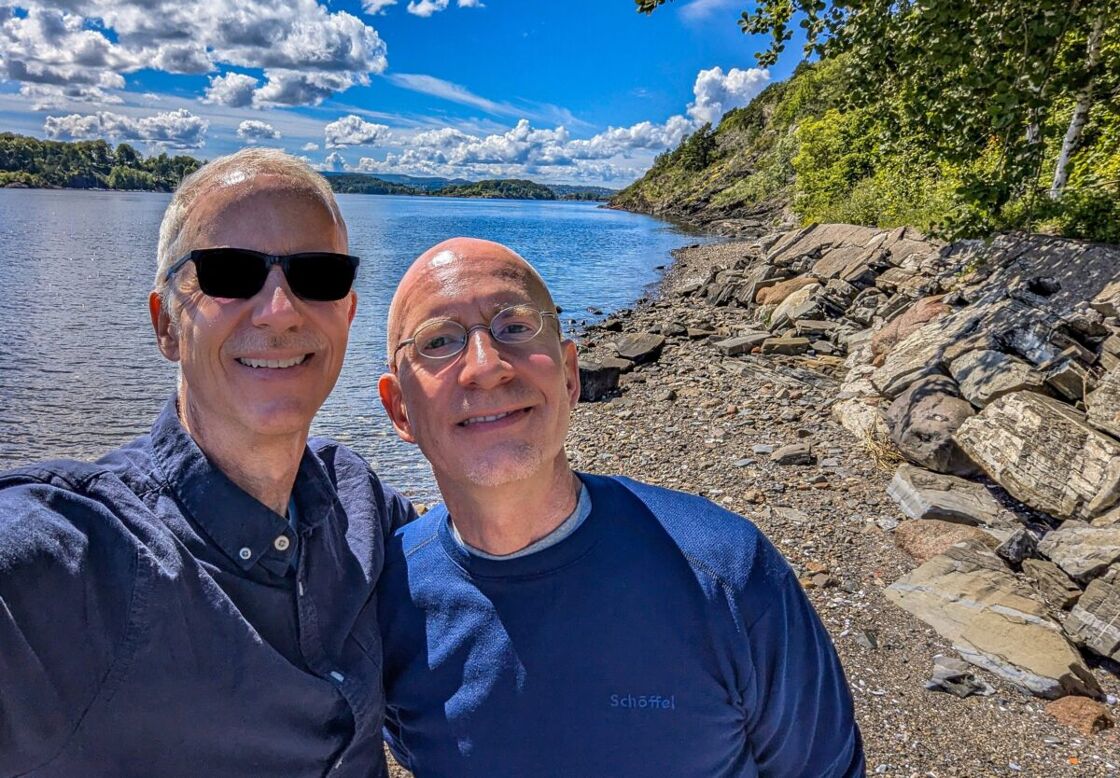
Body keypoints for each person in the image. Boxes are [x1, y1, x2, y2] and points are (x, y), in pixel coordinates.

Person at [377, 237, 865, 777]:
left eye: (514, 327)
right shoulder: (388, 600)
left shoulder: (725, 573)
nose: (486, 366)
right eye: (439, 341)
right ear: (400, 408)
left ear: (569, 376)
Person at [0, 148, 412, 776]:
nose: (280, 310)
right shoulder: (79, 560)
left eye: (318, 276)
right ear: (166, 323)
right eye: (229, 273)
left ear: (347, 314)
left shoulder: (362, 505)